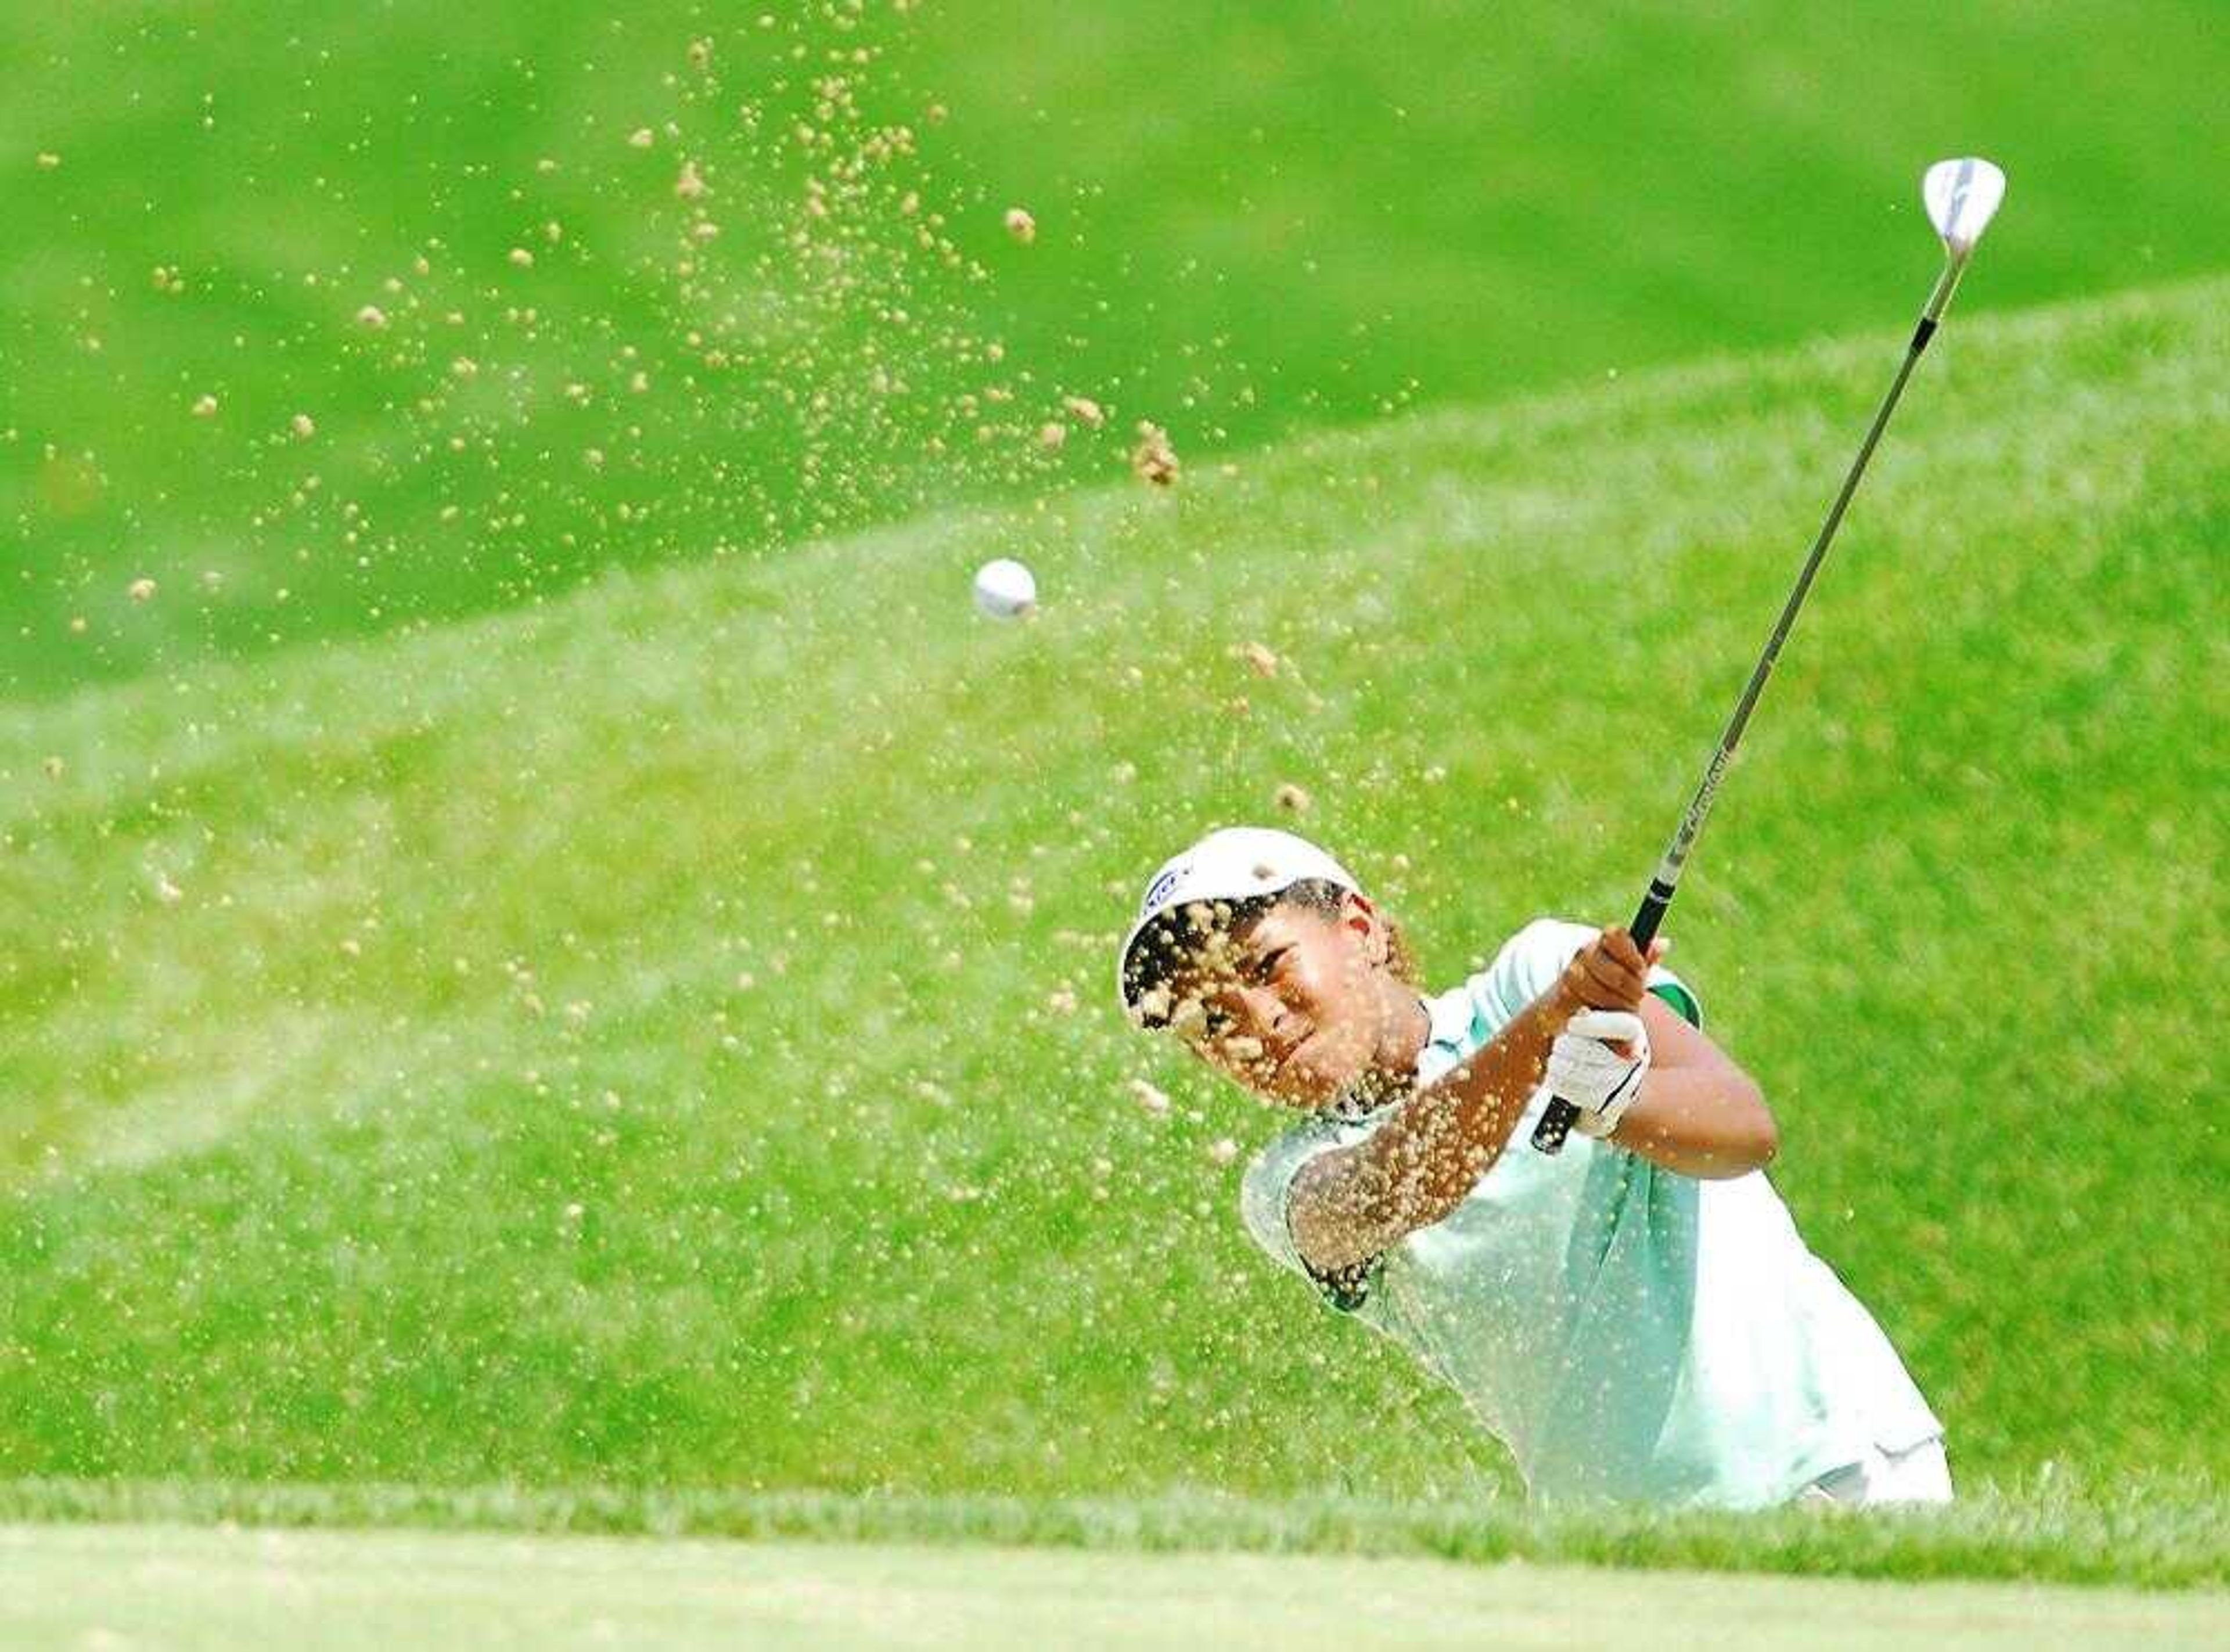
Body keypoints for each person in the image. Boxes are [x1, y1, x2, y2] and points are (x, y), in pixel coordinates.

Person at [1116, 826, 1950, 1509]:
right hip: (1632, 1561)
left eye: (1267, 966)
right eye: (1213, 1016)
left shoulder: (1528, 973)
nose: (1257, 1020)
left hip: (1836, 1469)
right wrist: (1547, 1036)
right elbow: (1393, 1183)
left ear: (1360, 929)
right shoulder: (1287, 1183)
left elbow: (1744, 1128)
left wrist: (1615, 1099)